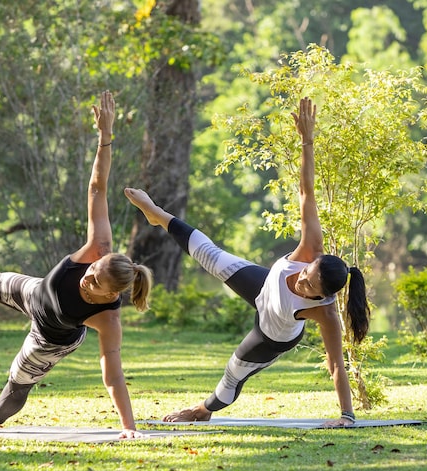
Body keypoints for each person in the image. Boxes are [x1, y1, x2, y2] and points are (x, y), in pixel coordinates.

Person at [0, 91, 152, 439]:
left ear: (111, 295)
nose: (86, 280)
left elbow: (113, 375)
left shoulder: (109, 319)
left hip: (52, 337)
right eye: (90, 271)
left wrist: (129, 428)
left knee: (18, 380)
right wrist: (105, 138)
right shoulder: (98, 248)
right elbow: (97, 188)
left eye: (95, 285)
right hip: (37, 290)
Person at [123, 97, 370, 428]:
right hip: (263, 286)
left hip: (274, 331)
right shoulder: (312, 247)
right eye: (306, 274)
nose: (301, 281)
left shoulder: (325, 312)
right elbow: (306, 192)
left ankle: (202, 410)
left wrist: (346, 416)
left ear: (320, 297)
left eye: (309, 287)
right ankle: (158, 215)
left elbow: (336, 364)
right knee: (209, 254)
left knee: (233, 372)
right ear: (313, 261)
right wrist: (307, 142)